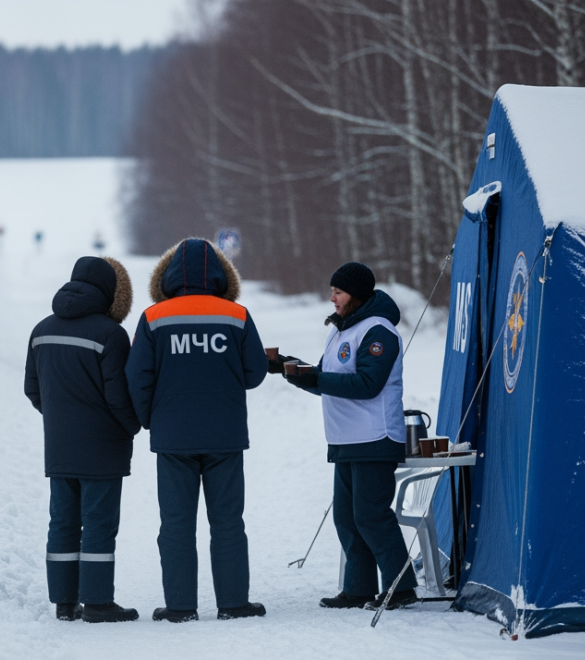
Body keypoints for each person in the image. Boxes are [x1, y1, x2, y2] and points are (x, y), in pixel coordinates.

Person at [126, 238, 268, 623]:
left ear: (169, 276)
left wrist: (151, 419)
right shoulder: (236, 315)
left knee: (175, 524)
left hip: (174, 438)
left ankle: (180, 607)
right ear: (221, 274)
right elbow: (255, 373)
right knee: (227, 522)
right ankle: (234, 603)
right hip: (225, 436)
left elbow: (137, 377)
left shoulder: (154, 317)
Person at [282, 262, 419, 610]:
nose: (332, 299)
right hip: (345, 439)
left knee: (371, 515)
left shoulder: (379, 331)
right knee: (346, 517)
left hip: (375, 437)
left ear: (356, 296)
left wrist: (316, 377)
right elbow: (328, 382)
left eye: (338, 293)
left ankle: (400, 588)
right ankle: (358, 588)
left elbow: (367, 385)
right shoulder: (340, 331)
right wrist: (294, 371)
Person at [25, 256, 141, 623]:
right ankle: (98, 603)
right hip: (103, 447)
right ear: (109, 292)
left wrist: (61, 418)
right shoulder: (110, 334)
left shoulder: (41, 329)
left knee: (62, 521)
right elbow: (118, 396)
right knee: (99, 523)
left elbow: (32, 389)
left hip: (59, 446)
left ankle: (64, 602)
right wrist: (132, 426)